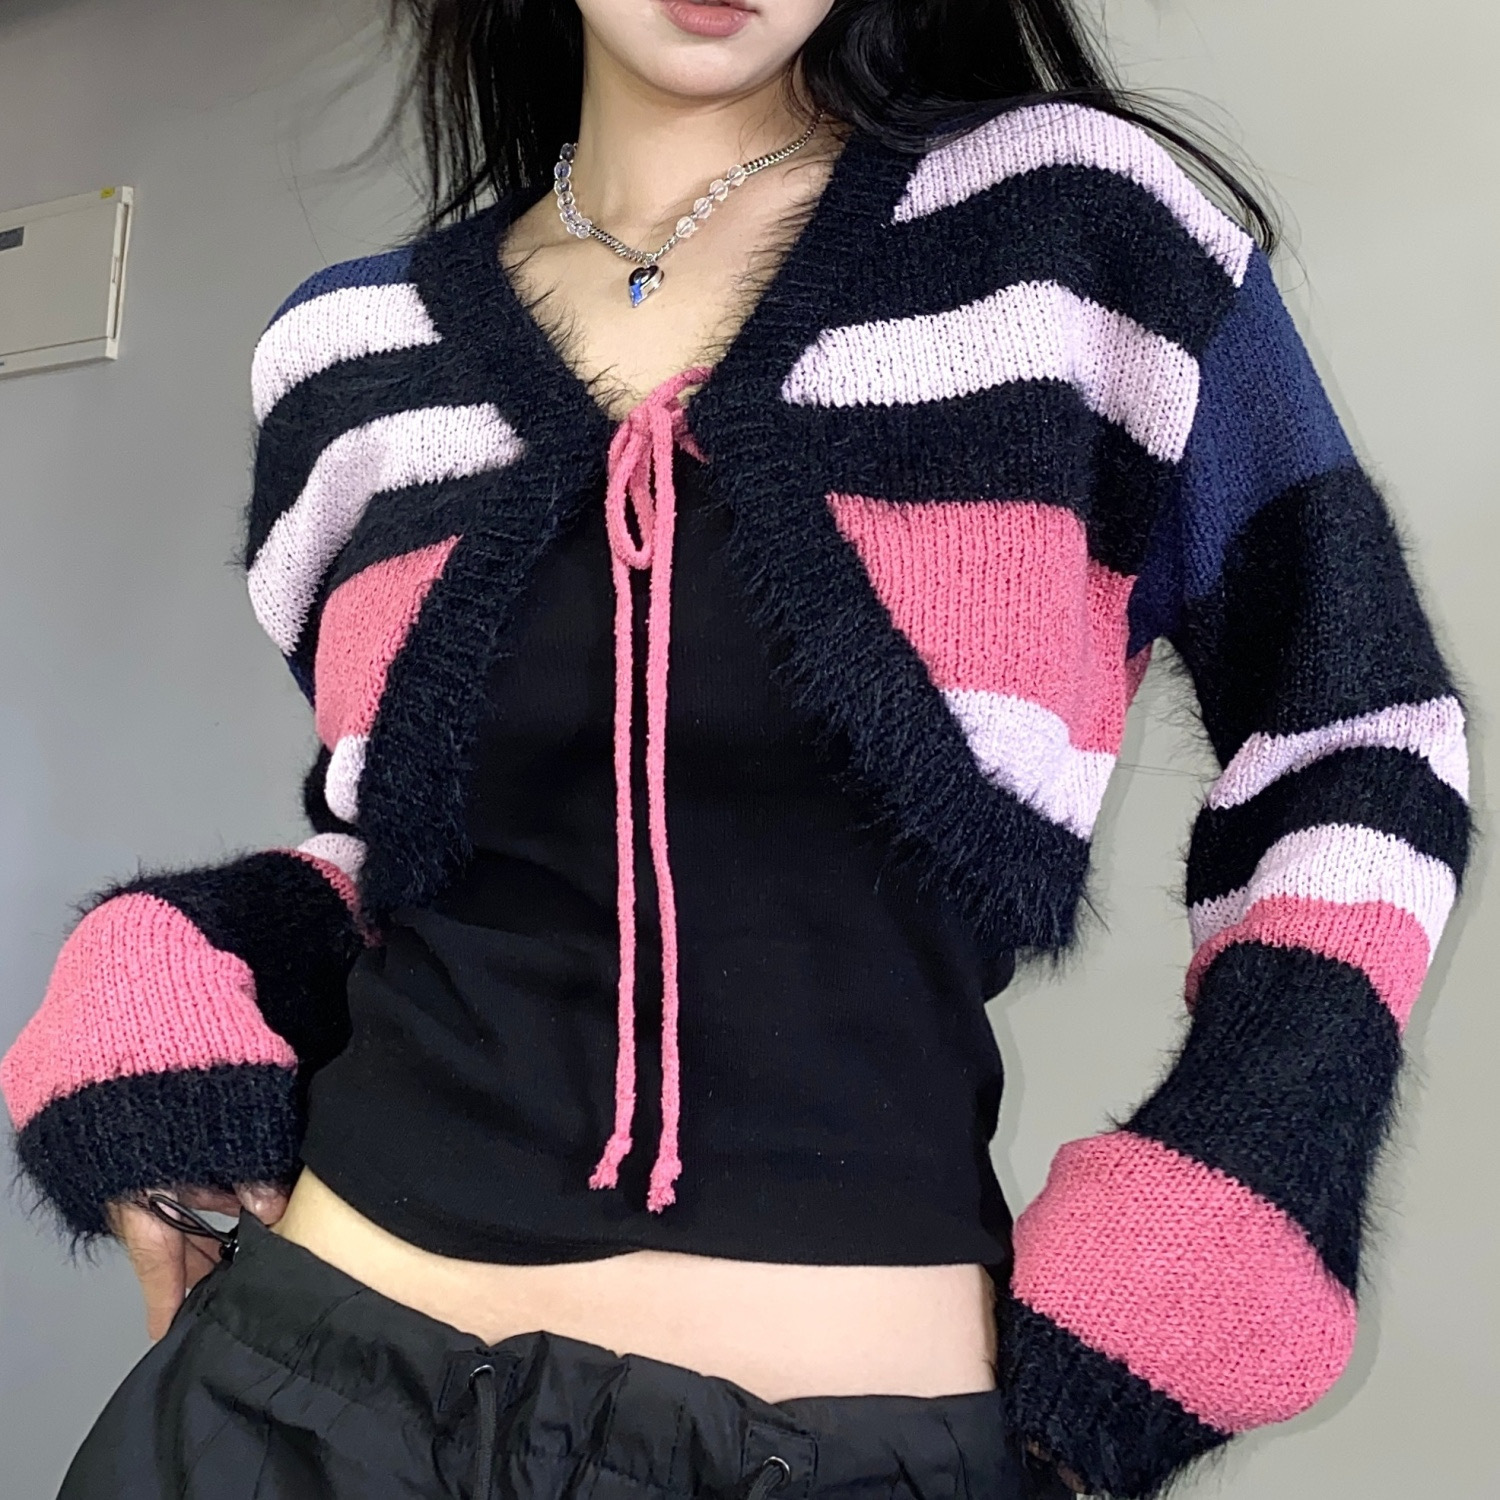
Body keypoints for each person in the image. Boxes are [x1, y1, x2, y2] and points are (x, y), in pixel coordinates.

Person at [1, 1, 1471, 1497]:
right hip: (300, 1399)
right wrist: (180, 959)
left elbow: (1364, 744)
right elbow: (410, 852)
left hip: (843, 1446)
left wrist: (1240, 1181)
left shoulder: (1086, 239)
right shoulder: (345, 351)